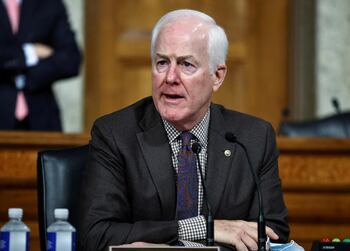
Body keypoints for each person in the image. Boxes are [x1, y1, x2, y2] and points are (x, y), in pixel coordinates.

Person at [79, 9, 289, 251]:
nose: (170, 77)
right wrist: (202, 228)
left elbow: (273, 234)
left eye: (186, 64)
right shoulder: (115, 134)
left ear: (217, 76)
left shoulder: (253, 138)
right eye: (161, 63)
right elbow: (96, 235)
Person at [0, 0, 81, 131]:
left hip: (41, 116)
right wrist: (29, 53)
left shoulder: (49, 4)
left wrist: (29, 75)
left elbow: (71, 60)